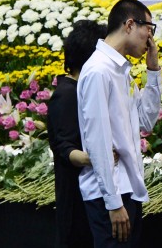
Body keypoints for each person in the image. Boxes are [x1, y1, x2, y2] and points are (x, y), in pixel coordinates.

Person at [77, 0, 162, 247]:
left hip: (127, 188)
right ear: (129, 24)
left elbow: (146, 121)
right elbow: (98, 140)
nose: (150, 39)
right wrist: (113, 202)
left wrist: (153, 71)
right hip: (110, 194)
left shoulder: (119, 70)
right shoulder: (99, 71)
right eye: (149, 29)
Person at [49, 20, 108, 248]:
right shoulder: (66, 94)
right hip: (76, 196)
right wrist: (96, 157)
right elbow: (64, 147)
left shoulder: (83, 89)